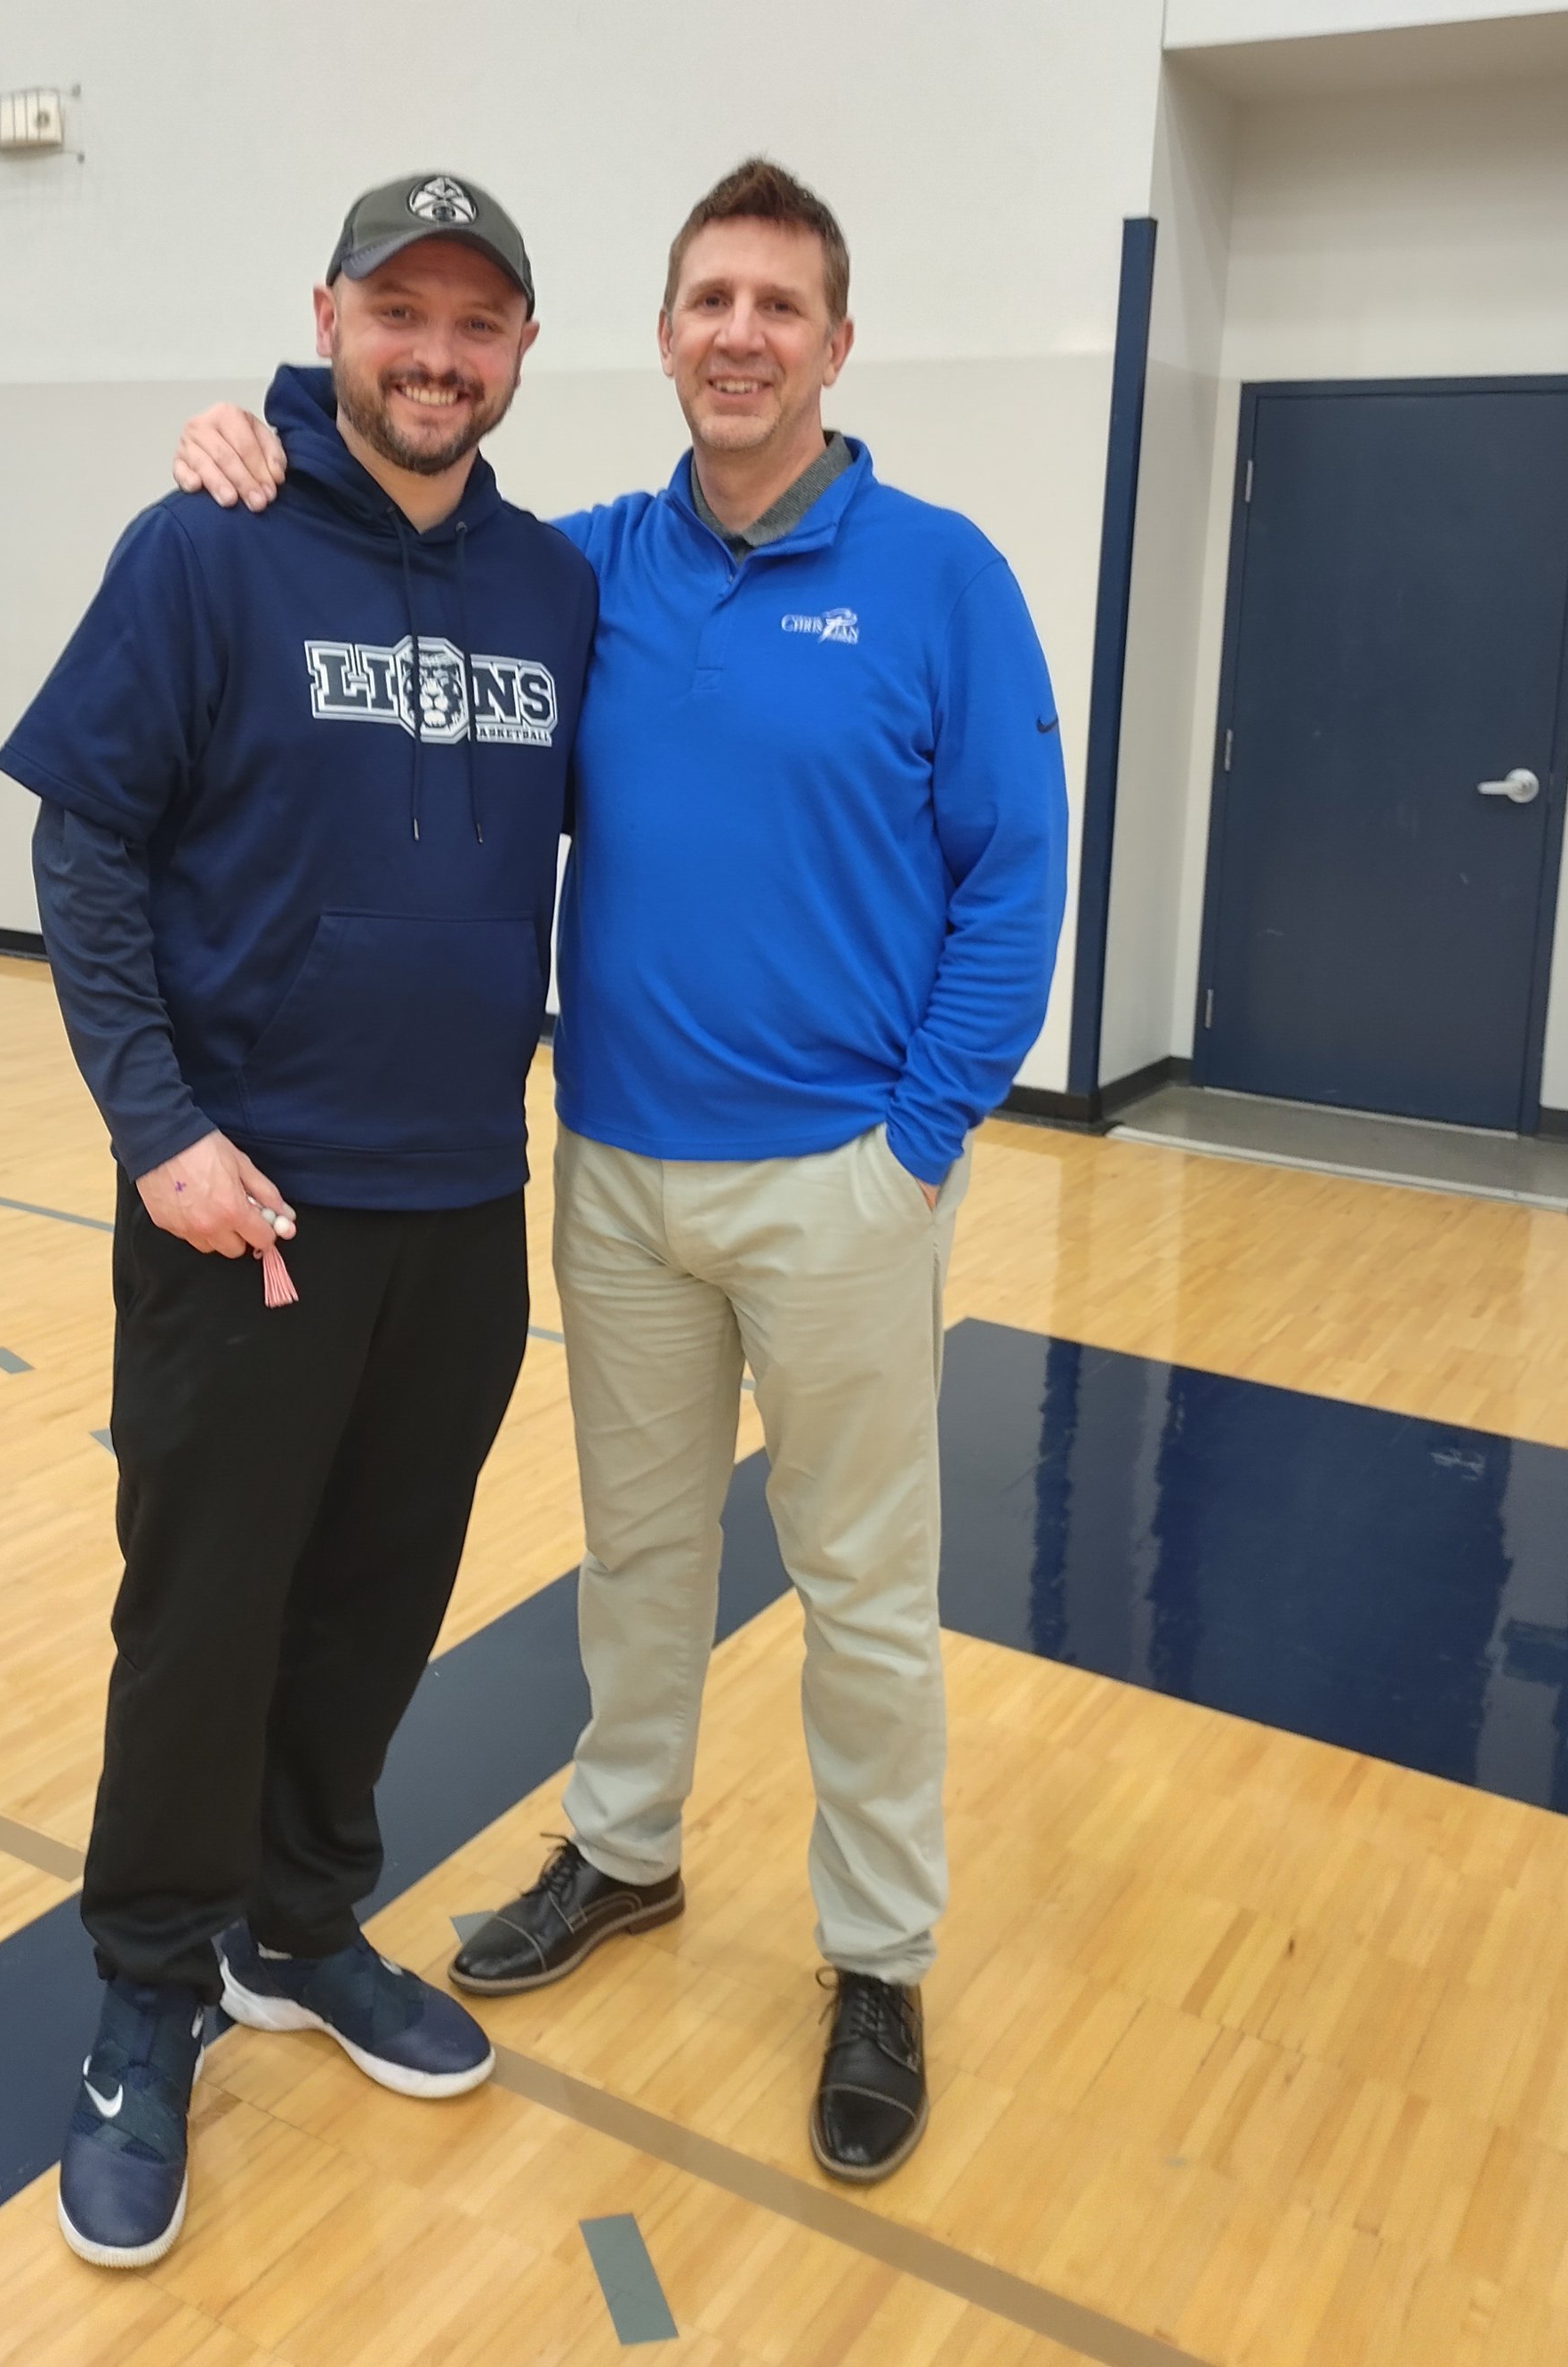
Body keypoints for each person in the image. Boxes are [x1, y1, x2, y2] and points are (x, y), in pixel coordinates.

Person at [173, 157, 1065, 2185]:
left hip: (840, 1180)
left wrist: (916, 1141)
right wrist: (259, 424)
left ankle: (873, 1953)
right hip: (616, 1178)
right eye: (704, 299)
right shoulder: (581, 575)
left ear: (834, 344)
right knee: (638, 1559)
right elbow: (395, 538)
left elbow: (1012, 874)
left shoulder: (937, 575)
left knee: (860, 1594)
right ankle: (628, 1848)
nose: (737, 332)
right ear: (658, 338)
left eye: (776, 302)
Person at [0, 172, 596, 2267]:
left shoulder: (555, 586)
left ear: (521, 349)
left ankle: (295, 1920)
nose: (436, 353)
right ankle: (146, 1993)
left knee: (374, 1596)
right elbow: (86, 854)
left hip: (458, 1201)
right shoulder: (204, 544)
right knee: (201, 1615)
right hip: (239, 1203)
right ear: (327, 316)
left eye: (478, 320)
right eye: (400, 311)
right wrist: (153, 1127)